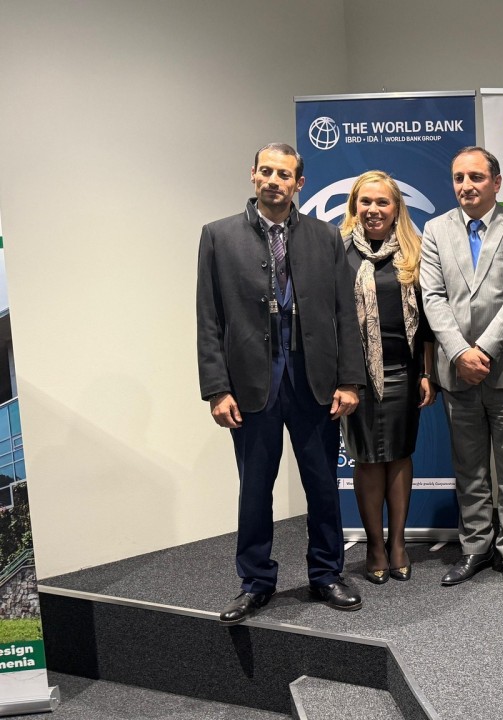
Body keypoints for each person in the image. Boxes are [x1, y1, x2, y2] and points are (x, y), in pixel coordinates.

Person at [196, 142, 364, 624]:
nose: (274, 180)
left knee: (323, 485)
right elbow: (209, 318)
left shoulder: (325, 237)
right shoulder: (218, 236)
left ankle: (327, 574)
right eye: (266, 171)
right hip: (251, 386)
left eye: (284, 174)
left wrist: (350, 381)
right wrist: (217, 389)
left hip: (314, 382)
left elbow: (344, 313)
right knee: (254, 489)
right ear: (253, 174)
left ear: (299, 183)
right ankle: (255, 582)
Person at [419, 146, 503, 587]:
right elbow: (432, 297)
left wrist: (483, 351)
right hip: (457, 371)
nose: (466, 185)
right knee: (468, 468)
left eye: (475, 177)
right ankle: (475, 546)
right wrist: (459, 353)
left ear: (496, 181)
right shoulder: (435, 229)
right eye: (459, 178)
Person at [338, 171, 437, 585]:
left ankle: (398, 543)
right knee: (367, 459)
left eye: (382, 202)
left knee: (398, 456)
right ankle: (374, 545)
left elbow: (428, 319)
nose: (373, 209)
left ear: (396, 208)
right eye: (366, 201)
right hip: (355, 376)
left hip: (404, 371)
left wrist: (427, 371)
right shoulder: (339, 251)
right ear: (354, 206)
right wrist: (343, 378)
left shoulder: (416, 251)